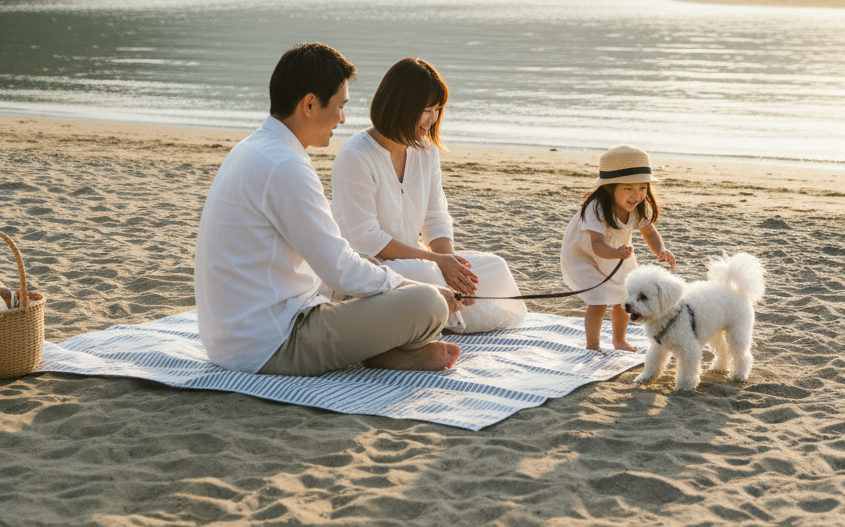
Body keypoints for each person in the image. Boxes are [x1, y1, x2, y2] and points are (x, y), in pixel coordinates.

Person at [194, 43, 461, 376]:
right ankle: (387, 352)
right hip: (271, 343)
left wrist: (375, 271)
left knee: (372, 272)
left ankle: (388, 349)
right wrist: (407, 286)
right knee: (428, 304)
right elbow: (340, 271)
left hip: (232, 337)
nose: (343, 118)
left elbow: (332, 258)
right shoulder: (286, 166)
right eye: (339, 106)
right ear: (309, 104)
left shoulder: (252, 149)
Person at [331, 57, 526, 334]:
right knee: (426, 277)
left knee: (494, 267)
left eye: (437, 109)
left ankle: (439, 317)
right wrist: (437, 263)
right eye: (426, 110)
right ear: (401, 106)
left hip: (419, 262)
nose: (433, 119)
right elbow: (366, 238)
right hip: (371, 268)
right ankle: (441, 317)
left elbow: (435, 215)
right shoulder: (356, 155)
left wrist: (452, 265)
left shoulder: (426, 150)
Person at [560, 144, 675, 353]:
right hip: (587, 255)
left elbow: (649, 232)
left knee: (624, 298)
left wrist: (661, 249)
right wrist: (615, 253)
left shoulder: (640, 206)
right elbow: (596, 245)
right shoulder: (597, 208)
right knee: (598, 300)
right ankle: (593, 345)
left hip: (619, 254)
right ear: (609, 187)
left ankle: (619, 340)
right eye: (628, 188)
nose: (637, 195)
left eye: (642, 187)